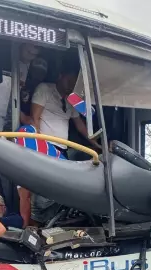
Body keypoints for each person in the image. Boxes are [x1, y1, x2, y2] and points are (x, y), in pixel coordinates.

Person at [29, 66, 99, 225]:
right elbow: (35, 118)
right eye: (69, 80)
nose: (71, 85)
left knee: (60, 190)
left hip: (62, 150)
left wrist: (97, 145)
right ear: (60, 75)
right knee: (41, 193)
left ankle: (54, 225)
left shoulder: (72, 99)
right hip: (46, 148)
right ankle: (35, 227)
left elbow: (80, 126)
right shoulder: (45, 89)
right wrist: (38, 147)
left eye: (74, 83)